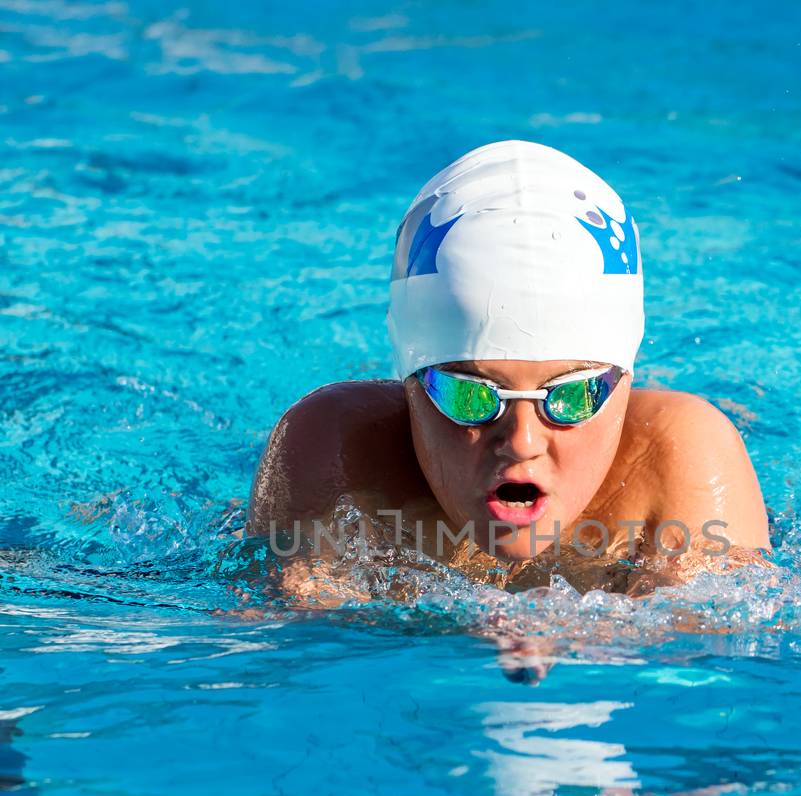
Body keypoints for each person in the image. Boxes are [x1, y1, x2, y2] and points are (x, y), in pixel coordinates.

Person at [249, 140, 769, 600]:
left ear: (625, 385)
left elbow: (720, 655)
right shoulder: (339, 453)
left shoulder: (680, 457)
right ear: (409, 387)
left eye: (573, 397)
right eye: (470, 396)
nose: (521, 442)